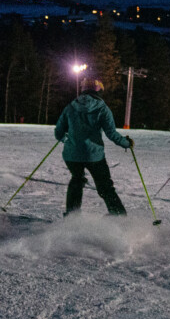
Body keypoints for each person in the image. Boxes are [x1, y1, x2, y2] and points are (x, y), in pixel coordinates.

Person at [54, 76, 133, 216]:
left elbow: (58, 132)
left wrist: (67, 139)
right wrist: (126, 143)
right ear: (99, 90)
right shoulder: (103, 108)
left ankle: (72, 217)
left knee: (76, 179)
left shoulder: (70, 106)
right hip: (93, 155)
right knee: (104, 186)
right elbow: (111, 134)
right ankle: (118, 216)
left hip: (72, 155)